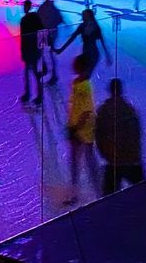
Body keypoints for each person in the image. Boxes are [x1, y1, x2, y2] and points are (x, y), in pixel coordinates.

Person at [95, 78, 145, 195]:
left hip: (113, 160)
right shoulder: (129, 110)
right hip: (131, 160)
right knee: (143, 192)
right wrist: (134, 154)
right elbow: (136, 134)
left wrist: (106, 154)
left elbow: (98, 136)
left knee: (109, 196)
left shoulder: (104, 110)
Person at [65, 55, 98, 204]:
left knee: (87, 161)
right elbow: (76, 107)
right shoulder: (77, 83)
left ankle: (97, 191)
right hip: (76, 127)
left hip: (83, 128)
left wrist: (76, 127)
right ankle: (75, 194)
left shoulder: (85, 86)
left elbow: (87, 111)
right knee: (77, 162)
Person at [57, 8, 112, 74]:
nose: (82, 17)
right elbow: (72, 38)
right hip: (86, 52)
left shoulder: (95, 27)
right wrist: (61, 49)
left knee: (86, 74)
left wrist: (107, 55)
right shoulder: (82, 26)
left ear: (89, 16)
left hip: (93, 54)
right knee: (84, 73)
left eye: (84, 15)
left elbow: (102, 42)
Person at [18, 0, 44, 106]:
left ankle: (38, 95)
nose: (24, 8)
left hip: (32, 49)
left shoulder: (30, 19)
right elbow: (23, 37)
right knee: (29, 73)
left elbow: (41, 31)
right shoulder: (28, 19)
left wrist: (41, 48)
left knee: (34, 73)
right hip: (30, 49)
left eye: (25, 6)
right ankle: (29, 93)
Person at [37, 0, 65, 85]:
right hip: (46, 32)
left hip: (47, 32)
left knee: (47, 52)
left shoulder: (44, 8)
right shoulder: (48, 8)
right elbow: (60, 19)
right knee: (43, 52)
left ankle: (53, 74)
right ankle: (48, 70)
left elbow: (59, 19)